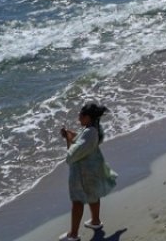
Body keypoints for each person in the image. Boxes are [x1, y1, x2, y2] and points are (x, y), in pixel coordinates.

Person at [59, 101, 115, 240]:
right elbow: (83, 141)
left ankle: (73, 235)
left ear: (88, 117)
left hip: (83, 173)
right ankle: (95, 222)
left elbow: (71, 156)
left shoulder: (89, 132)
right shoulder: (95, 128)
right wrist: (71, 136)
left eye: (81, 115)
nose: (79, 118)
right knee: (93, 195)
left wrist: (68, 140)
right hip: (92, 170)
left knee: (77, 201)